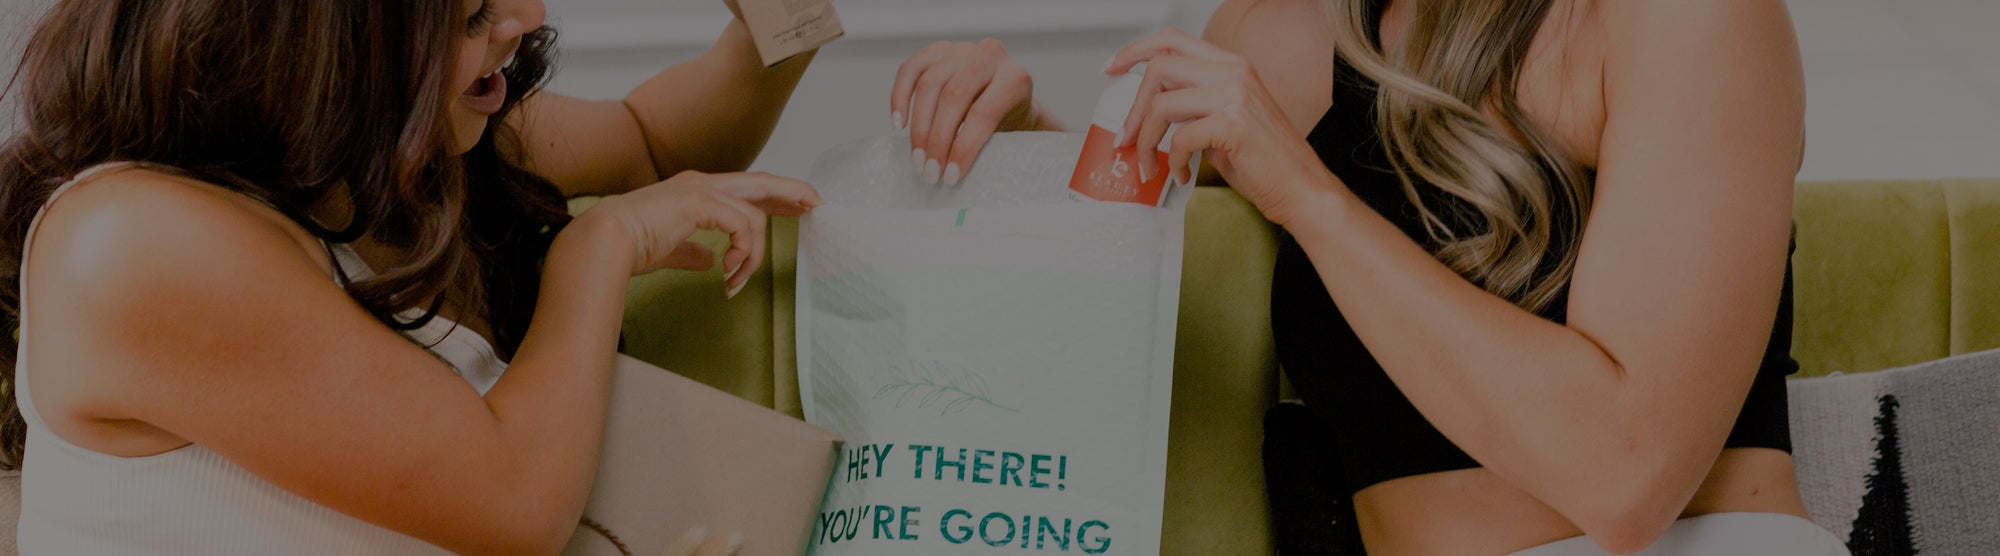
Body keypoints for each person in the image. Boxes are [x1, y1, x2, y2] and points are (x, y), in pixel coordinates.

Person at [889, 0, 1848, 554]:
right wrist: (1014, 142)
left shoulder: (1688, 20)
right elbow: (1117, 268)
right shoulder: (1283, 32)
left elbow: (1627, 474)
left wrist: (1308, 195)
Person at [0, 0, 820, 553]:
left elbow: (651, 143)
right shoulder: (137, 244)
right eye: (471, 13)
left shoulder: (394, 153)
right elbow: (516, 505)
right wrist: (598, 248)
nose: (529, 16)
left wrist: (788, 19)